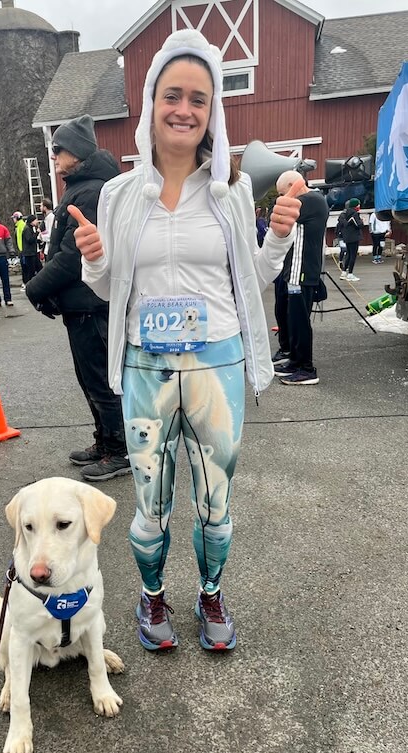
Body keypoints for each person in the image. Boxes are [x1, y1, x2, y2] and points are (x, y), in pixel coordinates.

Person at [72, 30, 301, 651]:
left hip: (216, 361)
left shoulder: (228, 196)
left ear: (212, 113)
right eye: (172, 94)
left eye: (198, 99)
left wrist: (276, 236)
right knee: (150, 498)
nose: (184, 109)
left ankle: (209, 592)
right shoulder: (119, 195)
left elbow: (251, 282)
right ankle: (151, 598)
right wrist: (94, 257)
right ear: (151, 104)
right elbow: (109, 288)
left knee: (215, 499)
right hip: (146, 366)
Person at [25, 114, 130, 481]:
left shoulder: (91, 191)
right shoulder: (81, 186)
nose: (54, 155)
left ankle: (121, 450)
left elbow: (72, 256)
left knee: (101, 380)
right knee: (89, 379)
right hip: (80, 305)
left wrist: (34, 288)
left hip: (91, 304)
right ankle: (105, 442)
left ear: (79, 153)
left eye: (60, 149)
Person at [272, 171, 329, 386]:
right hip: (295, 272)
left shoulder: (310, 201)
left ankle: (306, 368)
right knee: (291, 318)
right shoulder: (310, 201)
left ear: (292, 185)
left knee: (299, 321)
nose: (281, 198)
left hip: (301, 272)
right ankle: (295, 361)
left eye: (282, 193)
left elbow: (280, 218)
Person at [337, 198, 363, 281]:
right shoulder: (354, 214)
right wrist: (361, 221)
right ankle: (350, 274)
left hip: (346, 237)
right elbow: (359, 225)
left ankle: (344, 272)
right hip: (354, 237)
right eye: (358, 204)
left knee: (348, 254)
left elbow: (342, 223)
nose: (359, 206)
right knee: (353, 255)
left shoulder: (343, 214)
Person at [21, 214, 41, 283]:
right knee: (31, 271)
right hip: (29, 254)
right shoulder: (27, 229)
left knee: (39, 268)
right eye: (35, 220)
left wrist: (38, 241)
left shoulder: (30, 228)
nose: (37, 221)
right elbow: (29, 240)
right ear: (31, 221)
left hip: (32, 252)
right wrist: (37, 233)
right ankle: (30, 284)